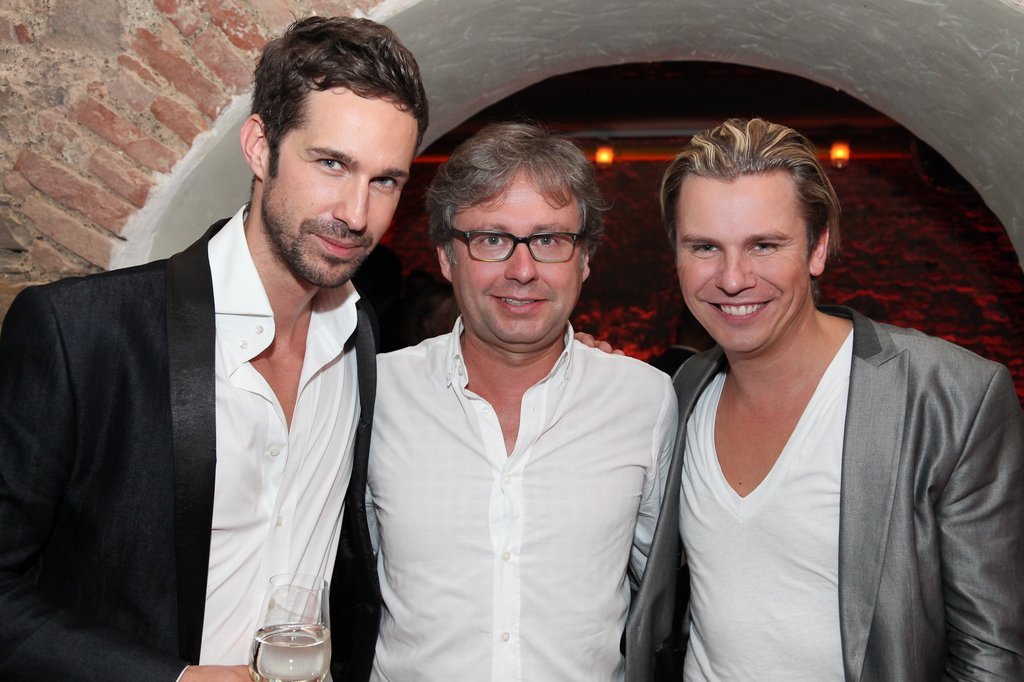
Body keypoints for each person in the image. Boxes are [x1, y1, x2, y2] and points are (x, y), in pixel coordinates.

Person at [0, 16, 427, 681]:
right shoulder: (82, 333)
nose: (355, 213)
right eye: (331, 163)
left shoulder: (357, 336)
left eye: (385, 181)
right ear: (259, 147)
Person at [628, 117, 1024, 681]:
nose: (732, 278)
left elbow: (991, 655)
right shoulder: (684, 390)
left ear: (818, 248)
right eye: (705, 247)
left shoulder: (948, 396)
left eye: (764, 245)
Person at [363, 122, 678, 681]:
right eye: (491, 239)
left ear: (584, 259)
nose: (523, 270)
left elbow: (661, 593)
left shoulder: (644, 400)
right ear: (446, 257)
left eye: (549, 240)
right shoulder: (375, 394)